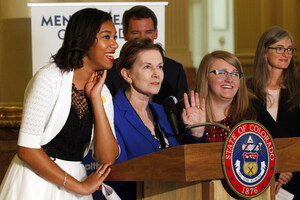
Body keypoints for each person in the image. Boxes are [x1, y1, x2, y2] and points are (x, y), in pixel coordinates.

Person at [0, 8, 120, 200]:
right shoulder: (48, 78)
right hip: (35, 184)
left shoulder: (103, 91)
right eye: (107, 37)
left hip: (77, 183)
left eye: (114, 37)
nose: (115, 44)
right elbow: (26, 149)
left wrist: (96, 99)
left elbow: (107, 158)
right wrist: (80, 187)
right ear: (85, 39)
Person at [108, 37, 179, 200]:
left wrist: (196, 132)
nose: (157, 74)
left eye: (160, 67)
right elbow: (118, 176)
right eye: (147, 67)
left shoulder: (164, 112)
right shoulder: (112, 114)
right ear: (127, 74)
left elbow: (183, 163)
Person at [180, 50, 282, 143]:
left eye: (235, 74)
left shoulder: (253, 108)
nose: (229, 79)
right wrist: (196, 134)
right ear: (205, 77)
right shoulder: (187, 111)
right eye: (222, 73)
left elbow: (283, 144)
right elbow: (182, 159)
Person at [247, 26, 300, 198]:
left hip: (295, 177)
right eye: (279, 48)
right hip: (257, 173)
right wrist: (275, 168)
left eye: (289, 49)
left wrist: (287, 166)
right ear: (264, 52)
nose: (286, 54)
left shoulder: (298, 89)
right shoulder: (247, 90)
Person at [105, 5, 188, 105]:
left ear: (156, 33)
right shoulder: (109, 71)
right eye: (136, 33)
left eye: (148, 32)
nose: (142, 38)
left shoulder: (175, 70)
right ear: (125, 35)